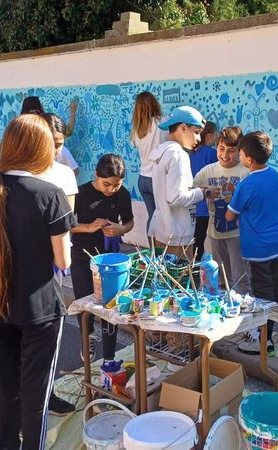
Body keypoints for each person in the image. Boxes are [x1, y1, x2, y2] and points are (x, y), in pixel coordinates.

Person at [0, 114, 75, 450]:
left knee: (8, 389)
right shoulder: (50, 193)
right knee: (36, 396)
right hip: (40, 308)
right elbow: (63, 261)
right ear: (41, 149)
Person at [226, 131, 278, 357]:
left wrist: (231, 200)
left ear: (248, 158)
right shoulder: (274, 175)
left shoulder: (246, 185)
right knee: (277, 285)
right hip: (276, 243)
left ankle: (264, 340)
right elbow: (276, 190)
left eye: (240, 153)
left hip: (256, 249)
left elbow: (229, 215)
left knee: (263, 295)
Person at [70, 154, 134, 363]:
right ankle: (86, 338)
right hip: (82, 256)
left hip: (110, 261)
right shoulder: (80, 193)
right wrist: (88, 227)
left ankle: (109, 355)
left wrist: (120, 229)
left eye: (116, 185)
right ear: (96, 175)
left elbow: (129, 222)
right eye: (107, 185)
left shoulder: (122, 194)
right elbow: (67, 224)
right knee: (85, 303)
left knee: (110, 306)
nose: (111, 190)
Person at [147, 106, 210, 254]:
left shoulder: (162, 151)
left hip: (162, 229)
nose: (199, 138)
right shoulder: (178, 154)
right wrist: (202, 192)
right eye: (196, 132)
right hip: (177, 234)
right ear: (183, 128)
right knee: (179, 276)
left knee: (163, 276)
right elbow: (176, 198)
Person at [193, 126, 249, 292]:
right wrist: (205, 191)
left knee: (240, 276)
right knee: (219, 274)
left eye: (231, 151)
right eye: (221, 149)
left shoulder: (245, 172)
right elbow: (190, 189)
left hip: (238, 234)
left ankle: (244, 309)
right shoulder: (208, 171)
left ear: (240, 151)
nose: (225, 155)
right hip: (214, 233)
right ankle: (224, 305)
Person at [130, 92, 167, 234]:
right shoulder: (162, 122)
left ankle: (153, 251)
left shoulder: (137, 129)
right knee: (164, 218)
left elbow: (134, 144)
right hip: (157, 178)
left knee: (152, 217)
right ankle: (163, 252)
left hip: (143, 178)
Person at [189, 121, 218, 261]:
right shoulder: (211, 154)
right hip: (206, 205)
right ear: (210, 136)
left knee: (197, 239)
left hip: (194, 203)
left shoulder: (192, 153)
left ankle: (194, 267)